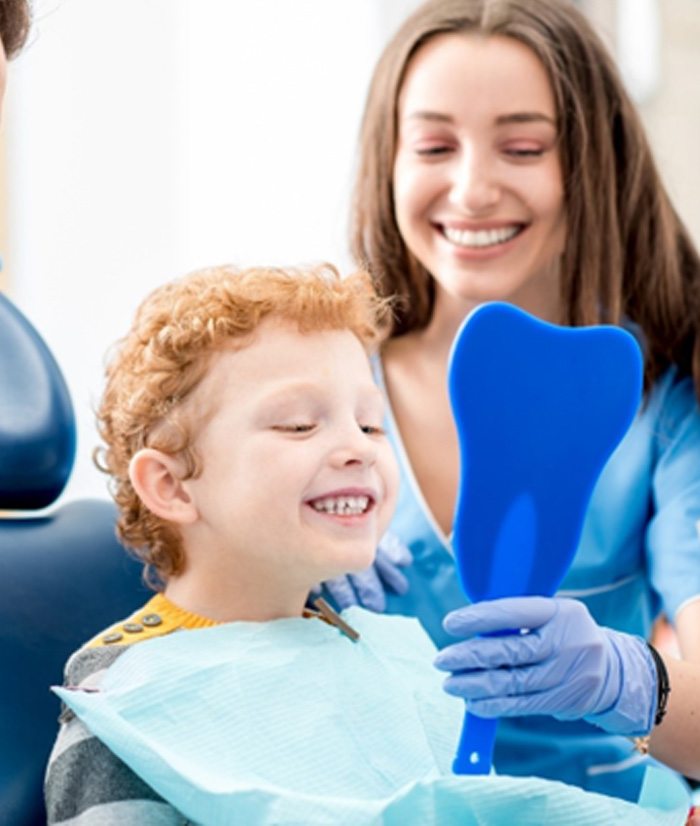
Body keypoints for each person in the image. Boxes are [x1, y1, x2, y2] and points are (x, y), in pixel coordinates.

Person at [334, 0, 700, 802]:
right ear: (387, 163)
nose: (471, 189)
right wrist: (269, 582)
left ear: (592, 163)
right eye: (433, 145)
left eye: (523, 146)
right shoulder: (321, 383)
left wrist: (621, 679)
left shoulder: (667, 403)